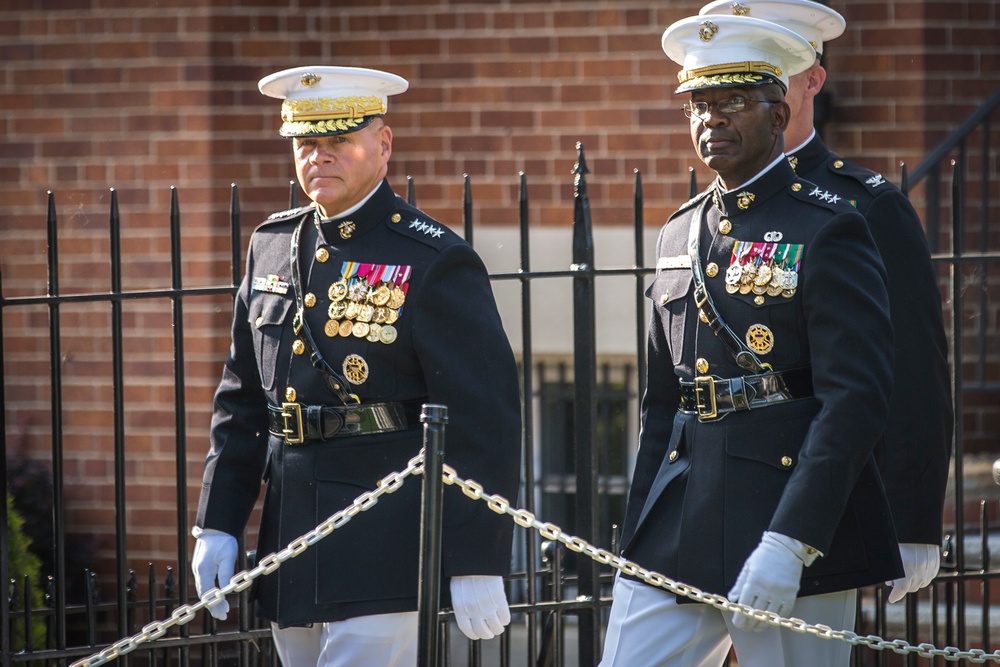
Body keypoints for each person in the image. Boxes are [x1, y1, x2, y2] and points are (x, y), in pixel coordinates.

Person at [190, 65, 522, 667]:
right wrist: (218, 520)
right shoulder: (271, 246)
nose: (320, 156)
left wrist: (477, 557)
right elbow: (242, 399)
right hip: (290, 538)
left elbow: (483, 419)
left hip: (384, 539)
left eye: (339, 139)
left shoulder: (433, 258)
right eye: (306, 143)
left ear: (383, 143)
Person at [601, 15, 904, 666]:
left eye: (733, 100)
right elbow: (661, 404)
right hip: (682, 511)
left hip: (787, 508)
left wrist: (792, 539)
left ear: (778, 112)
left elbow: (854, 400)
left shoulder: (828, 228)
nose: (712, 118)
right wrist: (636, 533)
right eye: (699, 104)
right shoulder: (677, 234)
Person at [700, 0, 953, 605]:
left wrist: (913, 518)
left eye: (766, 68)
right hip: (716, 492)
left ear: (809, 78)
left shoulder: (864, 204)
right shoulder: (714, 208)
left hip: (816, 502)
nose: (739, 89)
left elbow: (911, 368)